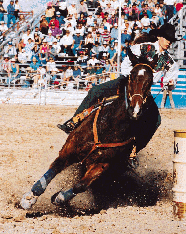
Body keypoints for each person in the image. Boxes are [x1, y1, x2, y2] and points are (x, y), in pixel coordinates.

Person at [57, 23, 179, 158]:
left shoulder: (170, 62)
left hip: (144, 91)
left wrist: (170, 84)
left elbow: (170, 82)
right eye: (167, 38)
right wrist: (131, 78)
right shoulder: (142, 48)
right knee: (96, 91)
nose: (169, 42)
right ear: (159, 36)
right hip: (127, 81)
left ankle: (133, 151)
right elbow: (126, 63)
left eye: (171, 40)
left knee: (156, 121)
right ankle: (74, 122)